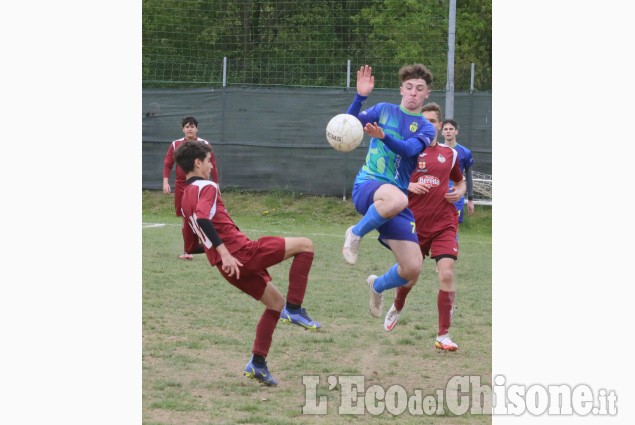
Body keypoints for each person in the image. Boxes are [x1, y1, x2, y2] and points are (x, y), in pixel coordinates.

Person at [173, 140, 321, 386]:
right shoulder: (206, 186)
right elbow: (203, 218)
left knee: (275, 305)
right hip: (240, 253)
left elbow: (190, 245)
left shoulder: (185, 198)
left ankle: (258, 363)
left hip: (228, 268)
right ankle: (295, 310)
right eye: (209, 161)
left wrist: (219, 255)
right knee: (306, 245)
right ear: (198, 163)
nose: (211, 166)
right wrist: (226, 252)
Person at [341, 64, 436, 318]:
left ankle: (377, 285)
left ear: (427, 94)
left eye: (419, 89)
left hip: (396, 201)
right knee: (398, 197)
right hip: (369, 185)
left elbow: (407, 150)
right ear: (401, 90)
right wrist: (360, 97)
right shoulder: (384, 110)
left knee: (413, 267)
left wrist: (383, 136)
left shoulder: (427, 128)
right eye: (409, 87)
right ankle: (355, 233)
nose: (413, 93)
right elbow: (347, 126)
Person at [383, 102, 465, 352]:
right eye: (424, 121)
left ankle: (443, 335)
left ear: (439, 125)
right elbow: (388, 182)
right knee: (411, 275)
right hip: (414, 224)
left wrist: (458, 192)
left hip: (444, 223)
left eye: (432, 121)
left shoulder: (450, 154)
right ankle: (398, 305)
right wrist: (408, 187)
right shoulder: (408, 151)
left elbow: (460, 183)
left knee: (447, 273)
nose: (428, 125)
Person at [163, 116, 220, 260]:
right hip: (182, 187)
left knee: (203, 215)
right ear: (183, 129)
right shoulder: (176, 144)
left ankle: (217, 245)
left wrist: (216, 184)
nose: (190, 128)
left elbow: (213, 164)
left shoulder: (203, 144)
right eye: (187, 126)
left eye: (192, 126)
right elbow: (168, 163)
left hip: (199, 185)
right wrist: (165, 182)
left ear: (197, 129)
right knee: (186, 217)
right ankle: (188, 250)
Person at [441, 119, 475, 224]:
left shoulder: (465, 152)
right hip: (439, 194)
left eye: (451, 129)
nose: (448, 131)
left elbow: (469, 176)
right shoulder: (436, 149)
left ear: (456, 131)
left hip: (456, 194)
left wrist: (470, 200)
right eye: (445, 129)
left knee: (453, 226)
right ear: (442, 132)